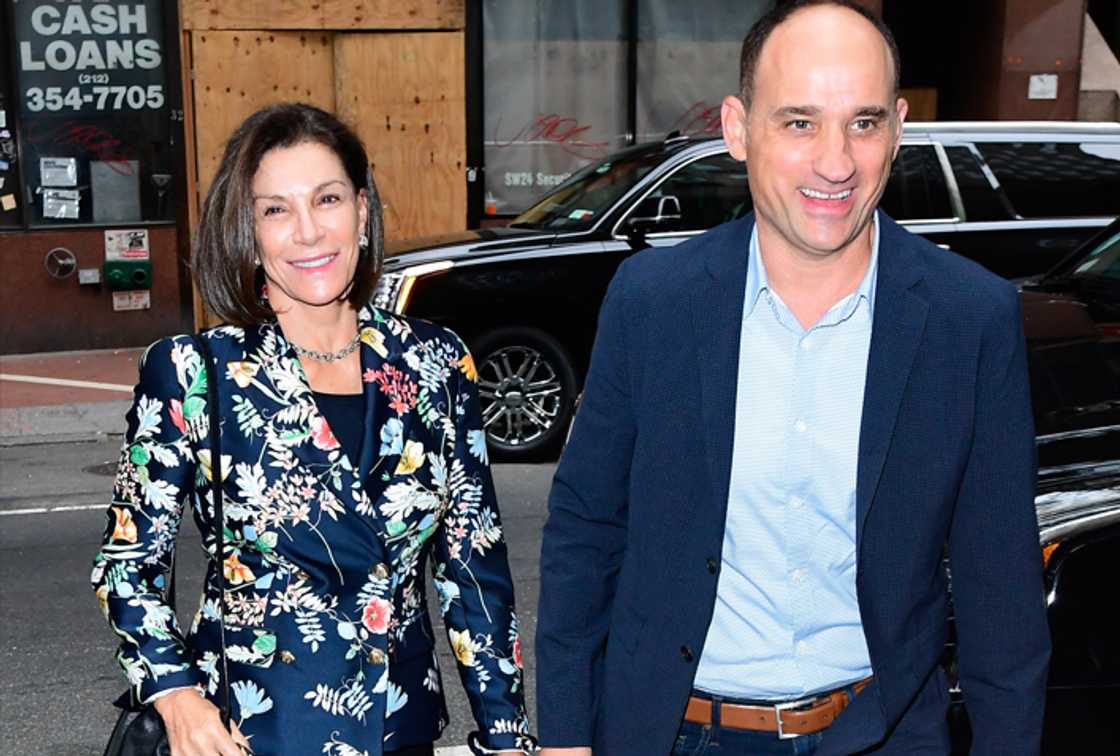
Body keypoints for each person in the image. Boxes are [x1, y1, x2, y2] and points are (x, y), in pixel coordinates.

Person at [535, 2, 1049, 754]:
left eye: (864, 123)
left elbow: (999, 588)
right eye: (800, 122)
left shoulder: (970, 319)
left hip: (883, 733)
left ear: (898, 128)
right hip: (677, 734)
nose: (836, 162)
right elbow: (586, 528)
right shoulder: (653, 302)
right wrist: (566, 737)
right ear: (738, 129)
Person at [92, 102, 534, 756]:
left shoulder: (437, 362)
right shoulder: (196, 373)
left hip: (398, 729)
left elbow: (473, 574)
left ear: (361, 209)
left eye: (326, 199)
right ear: (249, 230)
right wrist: (176, 694)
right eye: (275, 209)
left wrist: (507, 736)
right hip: (248, 734)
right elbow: (127, 567)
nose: (307, 232)